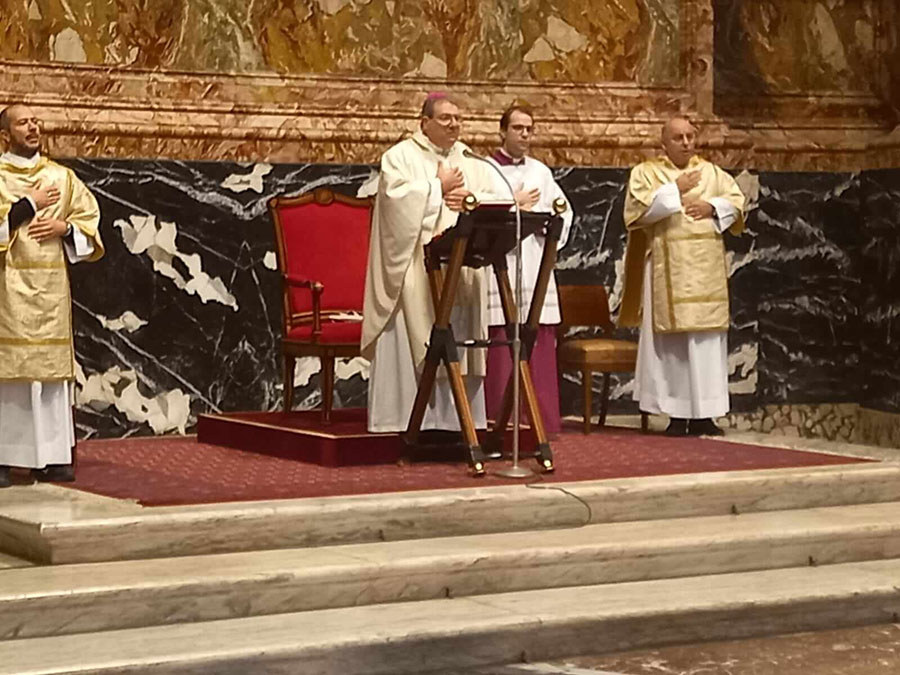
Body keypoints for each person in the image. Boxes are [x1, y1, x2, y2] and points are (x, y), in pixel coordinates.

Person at [361, 93, 501, 433]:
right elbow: (395, 204)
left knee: (461, 333)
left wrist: (469, 199)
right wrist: (437, 188)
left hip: (462, 269)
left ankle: (458, 424)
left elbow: (492, 197)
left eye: (458, 118)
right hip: (415, 270)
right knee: (416, 327)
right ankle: (407, 421)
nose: (454, 124)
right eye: (445, 118)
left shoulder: (471, 159)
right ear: (424, 122)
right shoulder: (399, 157)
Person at [619, 116, 745, 436]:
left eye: (690, 136)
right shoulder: (646, 173)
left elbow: (737, 203)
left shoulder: (712, 173)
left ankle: (705, 413)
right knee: (674, 345)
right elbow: (638, 213)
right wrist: (675, 190)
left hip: (705, 272)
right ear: (664, 142)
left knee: (705, 343)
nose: (687, 142)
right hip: (667, 268)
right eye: (678, 137)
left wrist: (712, 207)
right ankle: (676, 413)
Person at [0, 104, 104, 487]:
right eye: (22, 122)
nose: (32, 127)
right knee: (10, 375)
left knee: (49, 377)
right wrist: (27, 206)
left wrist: (65, 226)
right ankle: (6, 457)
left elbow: (89, 221)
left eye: (35, 121)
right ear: (6, 135)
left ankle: (54, 456)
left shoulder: (62, 177)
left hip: (50, 291)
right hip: (8, 290)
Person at [484, 104, 573, 434]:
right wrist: (512, 206)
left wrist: (546, 222)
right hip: (502, 265)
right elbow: (481, 212)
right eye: (518, 127)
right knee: (502, 342)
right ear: (502, 131)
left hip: (535, 263)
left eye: (529, 129)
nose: (524, 134)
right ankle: (502, 423)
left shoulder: (541, 172)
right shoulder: (486, 170)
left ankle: (542, 423)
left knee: (538, 340)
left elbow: (564, 213)